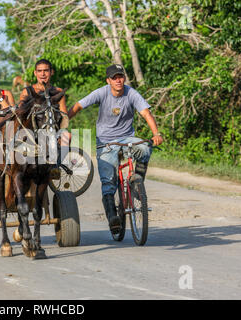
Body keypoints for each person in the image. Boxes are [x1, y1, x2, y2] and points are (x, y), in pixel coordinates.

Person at [68, 64, 163, 236]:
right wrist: (64, 123)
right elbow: (79, 106)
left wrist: (156, 133)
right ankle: (112, 217)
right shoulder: (101, 92)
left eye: (121, 76)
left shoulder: (131, 93)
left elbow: (146, 113)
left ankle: (137, 184)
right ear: (108, 80)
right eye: (114, 77)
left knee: (145, 148)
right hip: (106, 142)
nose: (118, 80)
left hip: (127, 138)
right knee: (109, 181)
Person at [19, 59, 70, 165]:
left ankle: (55, 167)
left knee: (67, 136)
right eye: (39, 71)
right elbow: (20, 115)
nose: (43, 74)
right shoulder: (27, 91)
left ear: (51, 72)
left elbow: (63, 115)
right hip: (32, 132)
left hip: (52, 130)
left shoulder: (58, 92)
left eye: (46, 70)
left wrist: (60, 133)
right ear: (35, 73)